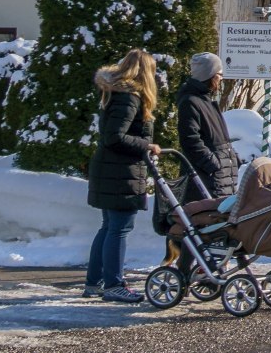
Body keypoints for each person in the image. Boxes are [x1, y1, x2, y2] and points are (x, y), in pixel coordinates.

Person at [85, 50, 161, 303]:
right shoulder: (129, 98)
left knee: (109, 227)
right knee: (119, 228)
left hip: (111, 170)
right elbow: (115, 137)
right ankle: (114, 284)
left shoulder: (115, 94)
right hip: (120, 172)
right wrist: (146, 146)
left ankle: (94, 282)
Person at [175, 53, 239, 199]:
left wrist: (233, 159)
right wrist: (214, 164)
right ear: (210, 75)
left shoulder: (206, 101)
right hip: (207, 179)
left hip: (219, 178)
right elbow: (190, 140)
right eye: (219, 74)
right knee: (207, 218)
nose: (222, 78)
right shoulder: (191, 102)